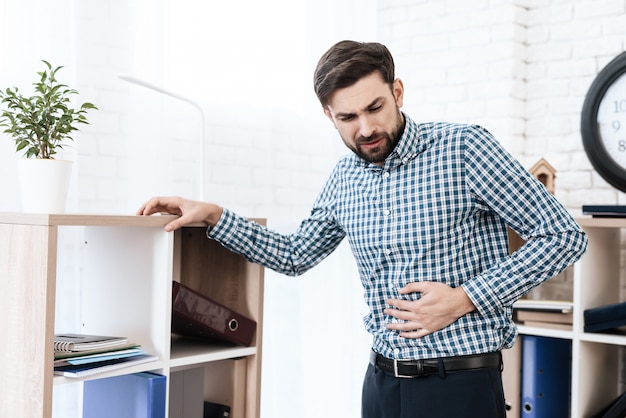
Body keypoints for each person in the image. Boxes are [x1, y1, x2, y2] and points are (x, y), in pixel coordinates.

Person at [138, 40, 588, 418]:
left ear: (397, 91)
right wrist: (215, 215)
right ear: (328, 116)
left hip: (460, 382)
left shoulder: (465, 148)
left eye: (375, 107)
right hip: (380, 386)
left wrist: (465, 298)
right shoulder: (344, 178)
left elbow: (564, 236)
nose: (367, 128)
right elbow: (295, 255)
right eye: (347, 118)